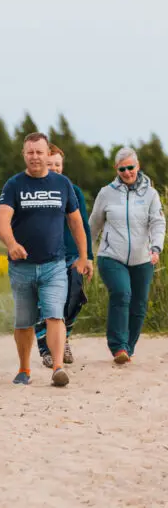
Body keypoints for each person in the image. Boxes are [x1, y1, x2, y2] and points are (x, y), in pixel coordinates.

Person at [0, 132, 91, 387]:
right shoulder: (14, 185)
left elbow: (76, 222)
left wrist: (84, 256)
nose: (35, 157)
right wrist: (12, 244)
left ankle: (58, 367)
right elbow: (2, 220)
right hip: (21, 267)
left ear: (48, 153)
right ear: (24, 154)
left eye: (39, 152)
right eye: (30, 152)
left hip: (54, 265)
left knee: (55, 315)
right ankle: (24, 369)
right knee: (24, 322)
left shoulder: (62, 184)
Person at [89, 147, 165, 364]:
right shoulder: (106, 193)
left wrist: (156, 247)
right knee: (122, 293)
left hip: (143, 258)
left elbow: (158, 223)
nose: (127, 172)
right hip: (111, 256)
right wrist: (85, 254)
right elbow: (93, 225)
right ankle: (118, 346)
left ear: (138, 166)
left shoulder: (150, 194)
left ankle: (127, 349)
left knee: (139, 305)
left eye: (130, 167)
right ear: (116, 169)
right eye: (122, 169)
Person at [35, 144, 94, 368]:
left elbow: (83, 225)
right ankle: (46, 349)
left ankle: (64, 339)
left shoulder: (73, 190)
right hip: (44, 257)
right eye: (50, 164)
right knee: (45, 305)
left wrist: (87, 256)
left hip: (72, 256)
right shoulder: (33, 191)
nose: (54, 168)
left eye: (58, 164)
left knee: (73, 300)